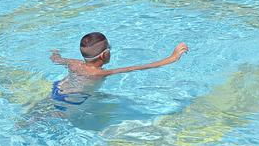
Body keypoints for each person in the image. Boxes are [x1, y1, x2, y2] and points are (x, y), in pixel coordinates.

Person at [49, 33, 188, 106]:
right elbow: (138, 68)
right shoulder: (98, 73)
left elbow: (56, 59)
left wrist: (55, 50)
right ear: (105, 54)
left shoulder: (74, 64)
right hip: (69, 103)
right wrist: (172, 58)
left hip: (57, 91)